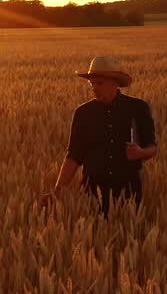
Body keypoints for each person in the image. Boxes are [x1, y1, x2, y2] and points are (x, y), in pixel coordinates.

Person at [45, 56, 157, 217]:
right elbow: (74, 156)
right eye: (92, 84)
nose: (94, 88)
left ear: (114, 83)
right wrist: (57, 191)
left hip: (128, 193)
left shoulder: (138, 108)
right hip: (91, 194)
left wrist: (140, 153)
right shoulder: (82, 113)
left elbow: (152, 147)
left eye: (100, 83)